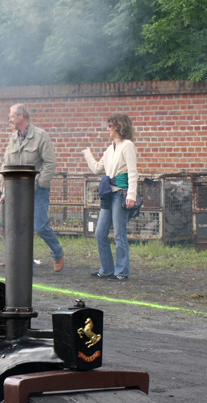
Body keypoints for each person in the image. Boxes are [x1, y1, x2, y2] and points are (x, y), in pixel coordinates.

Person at [0, 103, 64, 272]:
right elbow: (6, 165)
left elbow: (50, 163)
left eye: (11, 116)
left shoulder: (41, 136)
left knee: (39, 225)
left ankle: (58, 253)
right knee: (17, 225)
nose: (9, 119)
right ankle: (19, 258)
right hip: (16, 190)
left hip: (37, 190)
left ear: (21, 116)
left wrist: (39, 182)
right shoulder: (13, 138)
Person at [82, 113, 139, 280]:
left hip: (121, 193)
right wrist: (88, 154)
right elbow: (96, 168)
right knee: (100, 232)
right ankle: (107, 269)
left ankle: (122, 271)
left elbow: (132, 172)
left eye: (110, 126)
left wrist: (131, 195)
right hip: (109, 195)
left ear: (118, 126)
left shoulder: (128, 145)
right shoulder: (110, 148)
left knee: (120, 234)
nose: (107, 129)